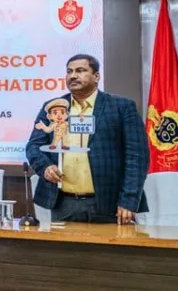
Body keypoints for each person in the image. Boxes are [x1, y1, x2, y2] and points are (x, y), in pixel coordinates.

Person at [26, 54, 149, 224]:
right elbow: (34, 146)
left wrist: (129, 201)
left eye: (80, 70)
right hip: (63, 202)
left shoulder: (121, 107)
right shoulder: (54, 107)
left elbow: (137, 158)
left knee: (110, 251)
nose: (73, 76)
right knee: (61, 251)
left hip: (110, 203)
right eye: (69, 72)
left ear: (96, 76)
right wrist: (45, 167)